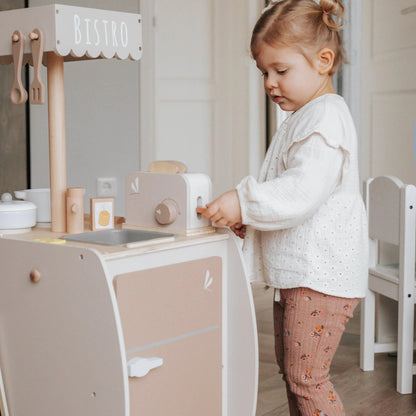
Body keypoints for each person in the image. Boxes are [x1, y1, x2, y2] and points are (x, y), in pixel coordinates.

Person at [200, 0, 368, 415]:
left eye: (281, 70)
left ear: (324, 61)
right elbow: (293, 199)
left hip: (321, 277)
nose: (270, 83)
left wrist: (244, 202)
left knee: (307, 378)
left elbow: (300, 193)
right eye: (264, 72)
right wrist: (250, 220)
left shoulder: (326, 117)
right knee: (296, 375)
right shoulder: (304, 116)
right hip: (304, 276)